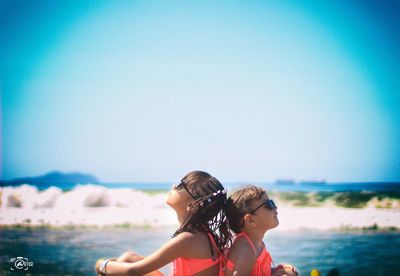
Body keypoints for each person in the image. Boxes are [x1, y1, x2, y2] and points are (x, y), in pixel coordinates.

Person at [95, 171, 231, 276]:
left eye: (180, 185)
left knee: (122, 266)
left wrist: (101, 264)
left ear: (191, 204)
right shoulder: (202, 232)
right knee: (130, 257)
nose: (173, 186)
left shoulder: (188, 239)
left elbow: (134, 271)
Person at [224, 185, 298, 276]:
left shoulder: (259, 244)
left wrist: (276, 270)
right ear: (250, 220)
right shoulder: (246, 251)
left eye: (272, 202)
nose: (275, 207)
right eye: (268, 205)